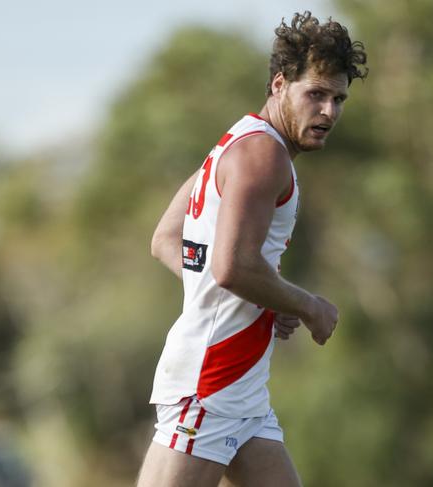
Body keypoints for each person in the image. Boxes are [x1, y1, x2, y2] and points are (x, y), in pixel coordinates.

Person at [137, 11, 367, 487]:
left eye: (338, 98)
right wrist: (309, 306)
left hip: (241, 392)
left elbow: (167, 239)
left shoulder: (237, 140)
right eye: (315, 94)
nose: (328, 112)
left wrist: (264, 298)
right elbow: (231, 266)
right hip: (212, 383)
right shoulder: (264, 155)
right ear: (280, 84)